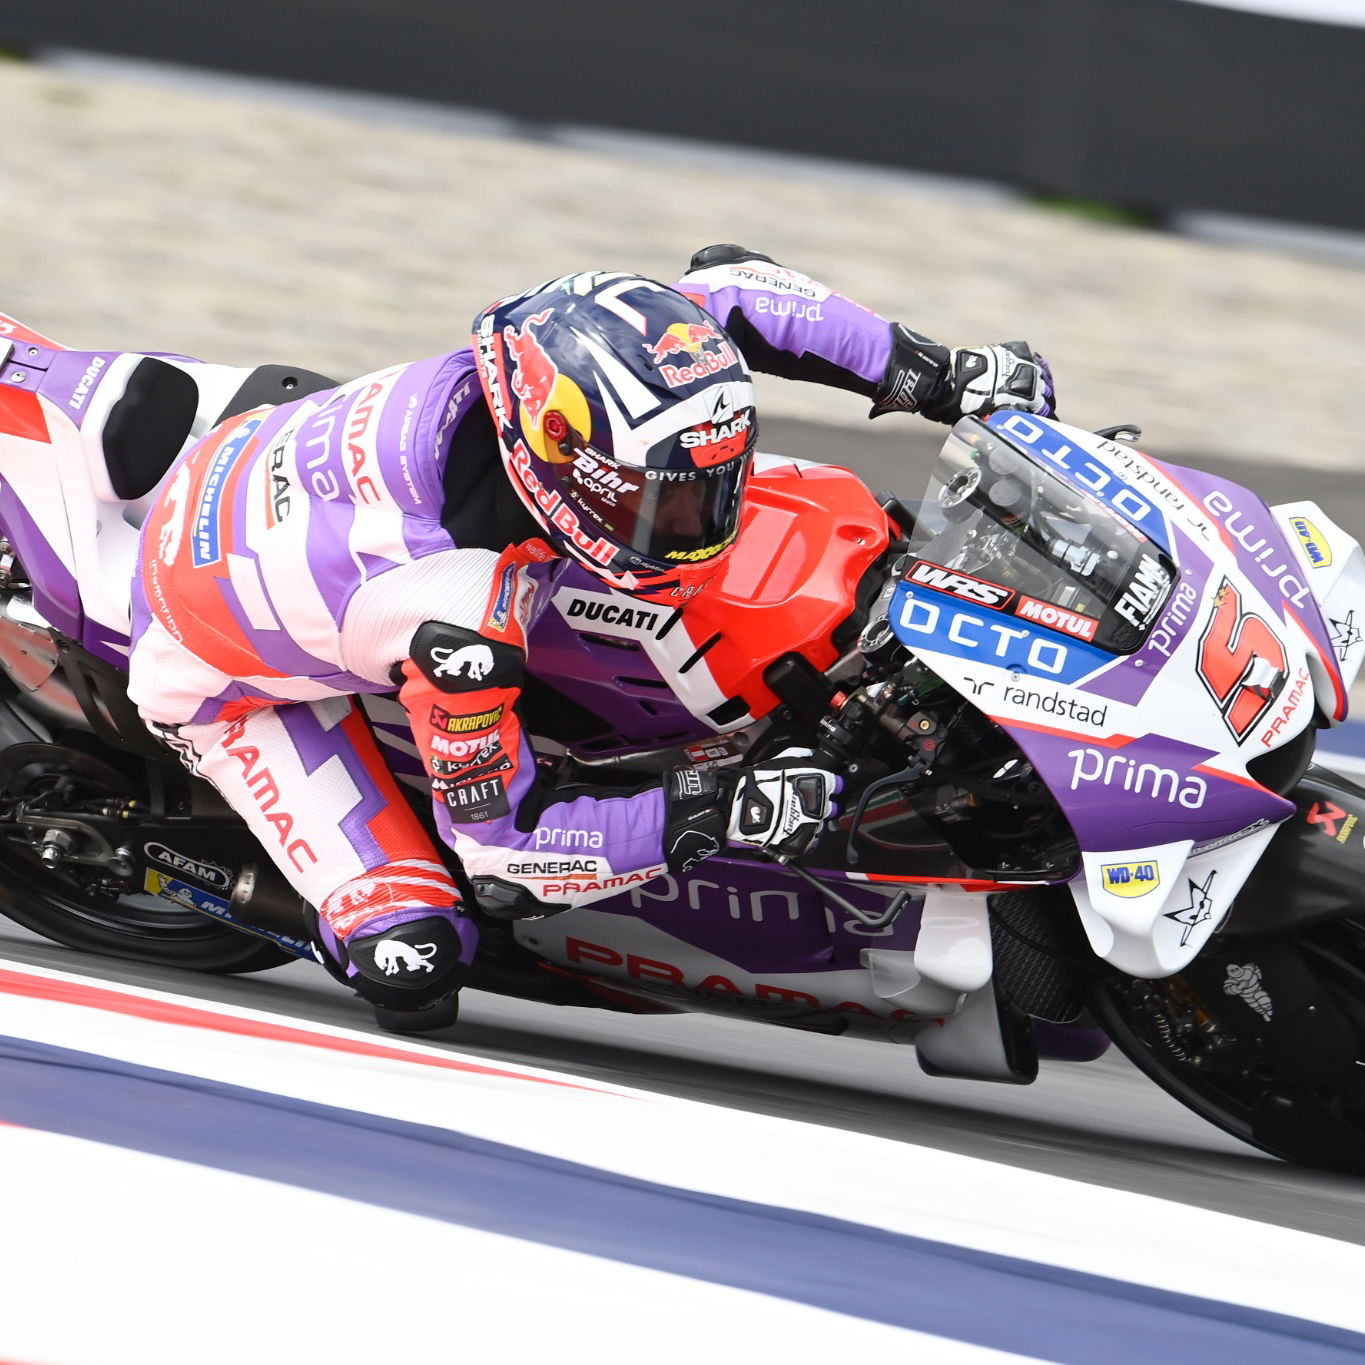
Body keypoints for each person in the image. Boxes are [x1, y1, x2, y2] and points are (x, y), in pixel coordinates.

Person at [125, 244, 1056, 1031]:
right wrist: (720, 806)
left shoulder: (583, 348)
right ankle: (338, 901)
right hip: (220, 668)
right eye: (665, 500)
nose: (699, 517)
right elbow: (507, 846)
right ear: (559, 456)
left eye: (706, 485)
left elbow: (739, 287)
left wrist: (937, 372)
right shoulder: (460, 620)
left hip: (270, 475)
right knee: (419, 956)